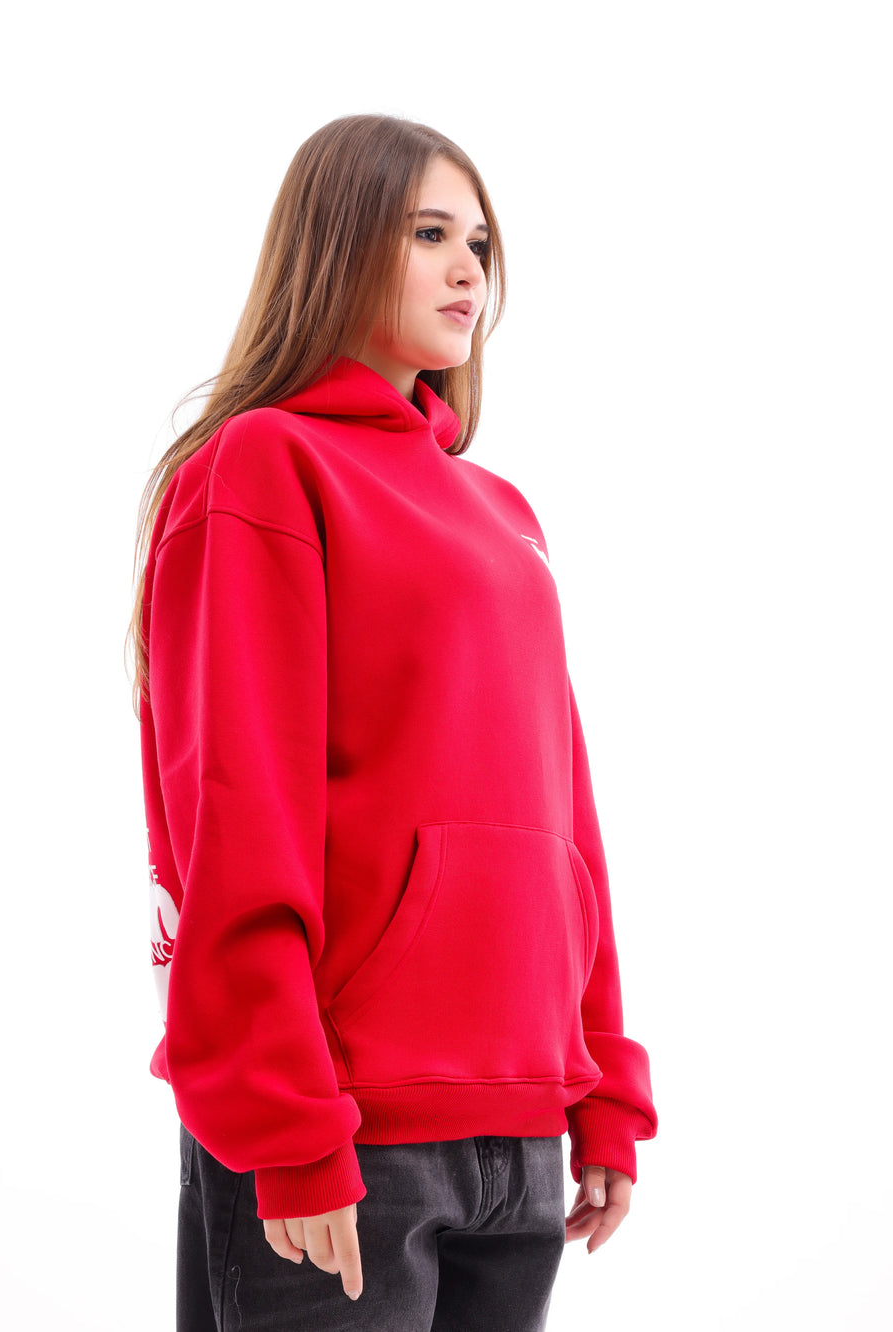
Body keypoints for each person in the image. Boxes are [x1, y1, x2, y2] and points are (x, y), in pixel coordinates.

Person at [127, 112, 658, 1332]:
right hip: (343, 1133)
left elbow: (562, 817)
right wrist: (285, 1124)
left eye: (479, 242)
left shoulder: (502, 511)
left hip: (521, 1130)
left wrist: (600, 1082)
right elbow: (233, 815)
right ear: (337, 242)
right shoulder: (262, 467)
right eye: (429, 234)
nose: (469, 267)